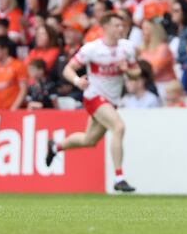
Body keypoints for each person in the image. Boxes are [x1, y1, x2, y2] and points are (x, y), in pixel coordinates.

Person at [45, 13, 138, 193]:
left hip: (112, 100)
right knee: (118, 127)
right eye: (117, 25)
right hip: (94, 97)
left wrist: (127, 70)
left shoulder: (127, 48)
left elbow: (137, 72)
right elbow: (68, 69)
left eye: (122, 25)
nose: (121, 29)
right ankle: (119, 178)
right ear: (106, 28)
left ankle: (55, 147)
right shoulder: (92, 49)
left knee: (89, 140)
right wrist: (77, 81)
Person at [0, 36, 27, 111]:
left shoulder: (18, 65)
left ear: (5, 50)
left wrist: (13, 109)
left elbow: (23, 90)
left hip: (13, 111)